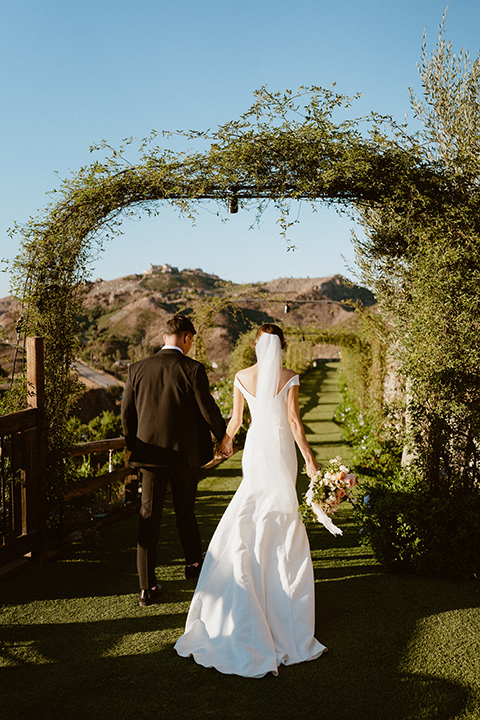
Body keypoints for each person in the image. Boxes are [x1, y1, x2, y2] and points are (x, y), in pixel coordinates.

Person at [174, 324, 327, 677]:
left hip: (256, 446)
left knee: (253, 505)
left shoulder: (242, 376)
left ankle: (249, 576)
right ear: (281, 348)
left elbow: (237, 420)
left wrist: (223, 444)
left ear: (256, 347)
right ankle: (278, 591)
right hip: (280, 447)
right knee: (281, 513)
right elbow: (293, 422)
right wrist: (309, 459)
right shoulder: (290, 376)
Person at [121, 314, 226, 607]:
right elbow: (208, 410)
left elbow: (126, 415)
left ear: (165, 336)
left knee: (148, 518)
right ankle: (193, 566)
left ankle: (146, 587)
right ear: (187, 338)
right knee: (185, 512)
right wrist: (223, 438)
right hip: (185, 458)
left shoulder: (136, 369)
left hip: (150, 458)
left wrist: (134, 447)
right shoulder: (192, 369)